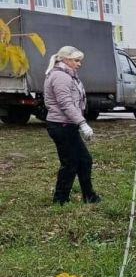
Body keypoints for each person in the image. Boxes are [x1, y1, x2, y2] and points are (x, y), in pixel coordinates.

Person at [43, 46, 99, 205]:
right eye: (76, 60)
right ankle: (60, 200)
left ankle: (89, 196)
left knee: (84, 160)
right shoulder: (61, 77)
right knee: (70, 163)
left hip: (67, 125)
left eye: (79, 60)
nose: (79, 64)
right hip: (61, 125)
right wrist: (82, 123)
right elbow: (66, 104)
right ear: (65, 60)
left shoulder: (68, 75)